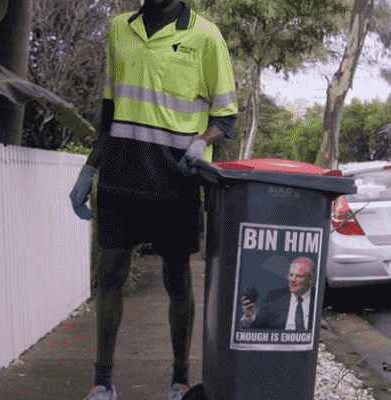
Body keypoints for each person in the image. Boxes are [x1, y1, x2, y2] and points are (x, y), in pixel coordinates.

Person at [68, 0, 238, 399]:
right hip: (120, 175)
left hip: (174, 179)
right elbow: (109, 113)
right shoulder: (118, 30)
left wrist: (201, 144)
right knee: (109, 276)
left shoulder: (206, 36)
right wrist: (89, 170)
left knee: (177, 280)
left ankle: (179, 381)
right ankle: (103, 383)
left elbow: (226, 113)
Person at [239, 257, 316, 331]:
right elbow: (258, 330)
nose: (292, 280)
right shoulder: (274, 298)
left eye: (299, 276)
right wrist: (249, 316)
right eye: (291, 275)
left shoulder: (319, 298)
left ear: (310, 279)